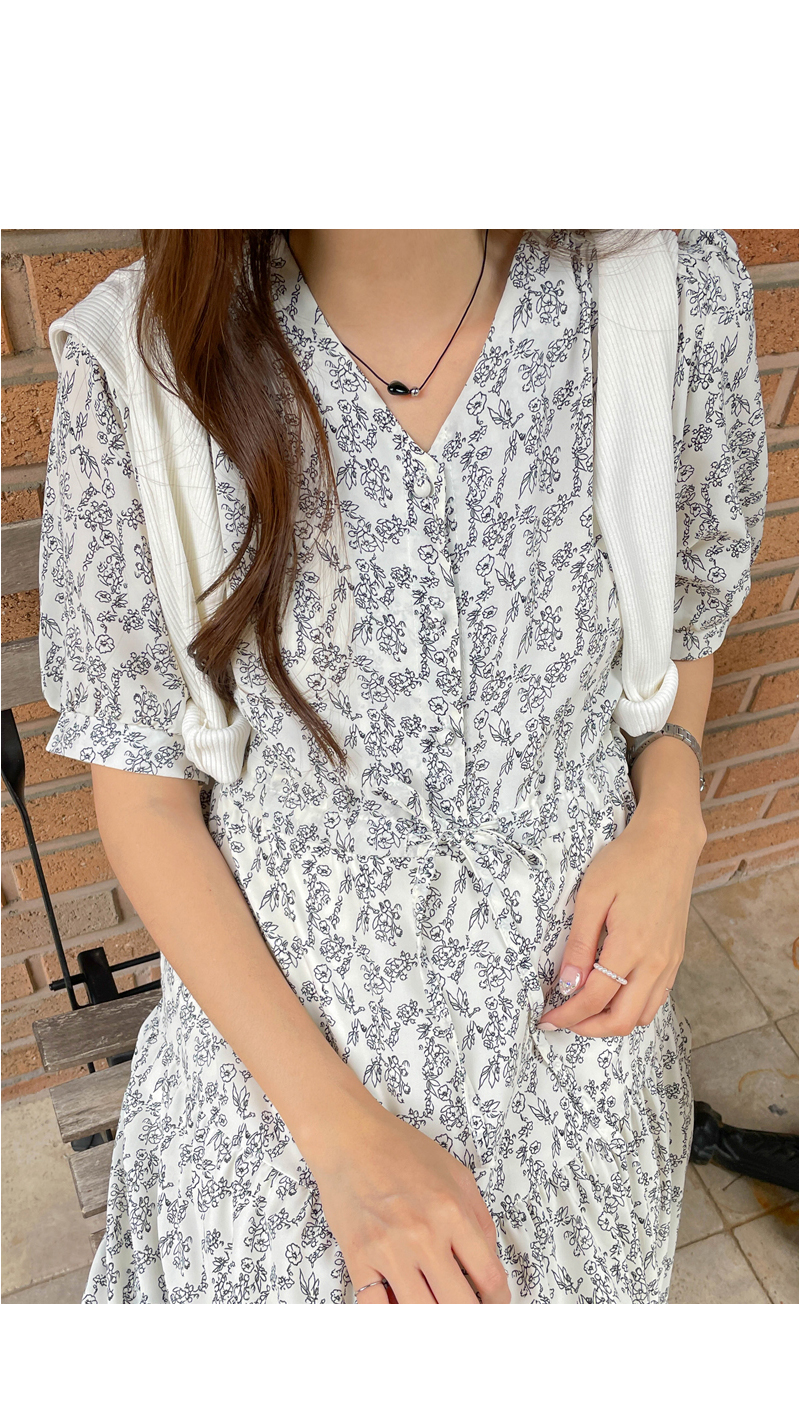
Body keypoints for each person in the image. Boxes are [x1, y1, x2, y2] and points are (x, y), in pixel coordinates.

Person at [38, 228, 768, 1304]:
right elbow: (144, 795)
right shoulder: (149, 363)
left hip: (569, 980)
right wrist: (340, 1139)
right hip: (282, 1009)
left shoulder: (660, 291)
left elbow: (684, 618)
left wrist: (669, 818)